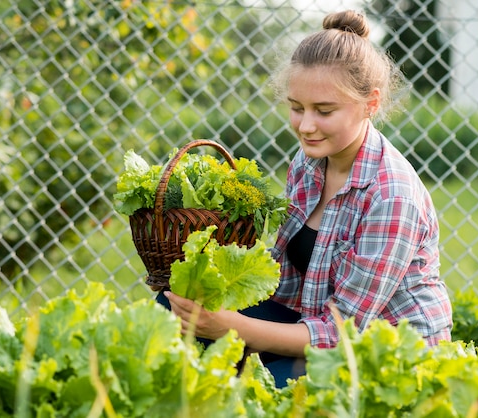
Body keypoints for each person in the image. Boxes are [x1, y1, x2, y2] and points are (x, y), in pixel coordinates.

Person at [159, 9, 452, 388]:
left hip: (384, 352)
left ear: (371, 103)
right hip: (309, 320)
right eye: (297, 107)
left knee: (261, 390)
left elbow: (340, 334)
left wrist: (232, 329)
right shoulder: (309, 162)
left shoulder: (393, 198)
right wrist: (208, 283)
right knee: (174, 309)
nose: (306, 126)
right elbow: (287, 278)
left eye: (324, 111)